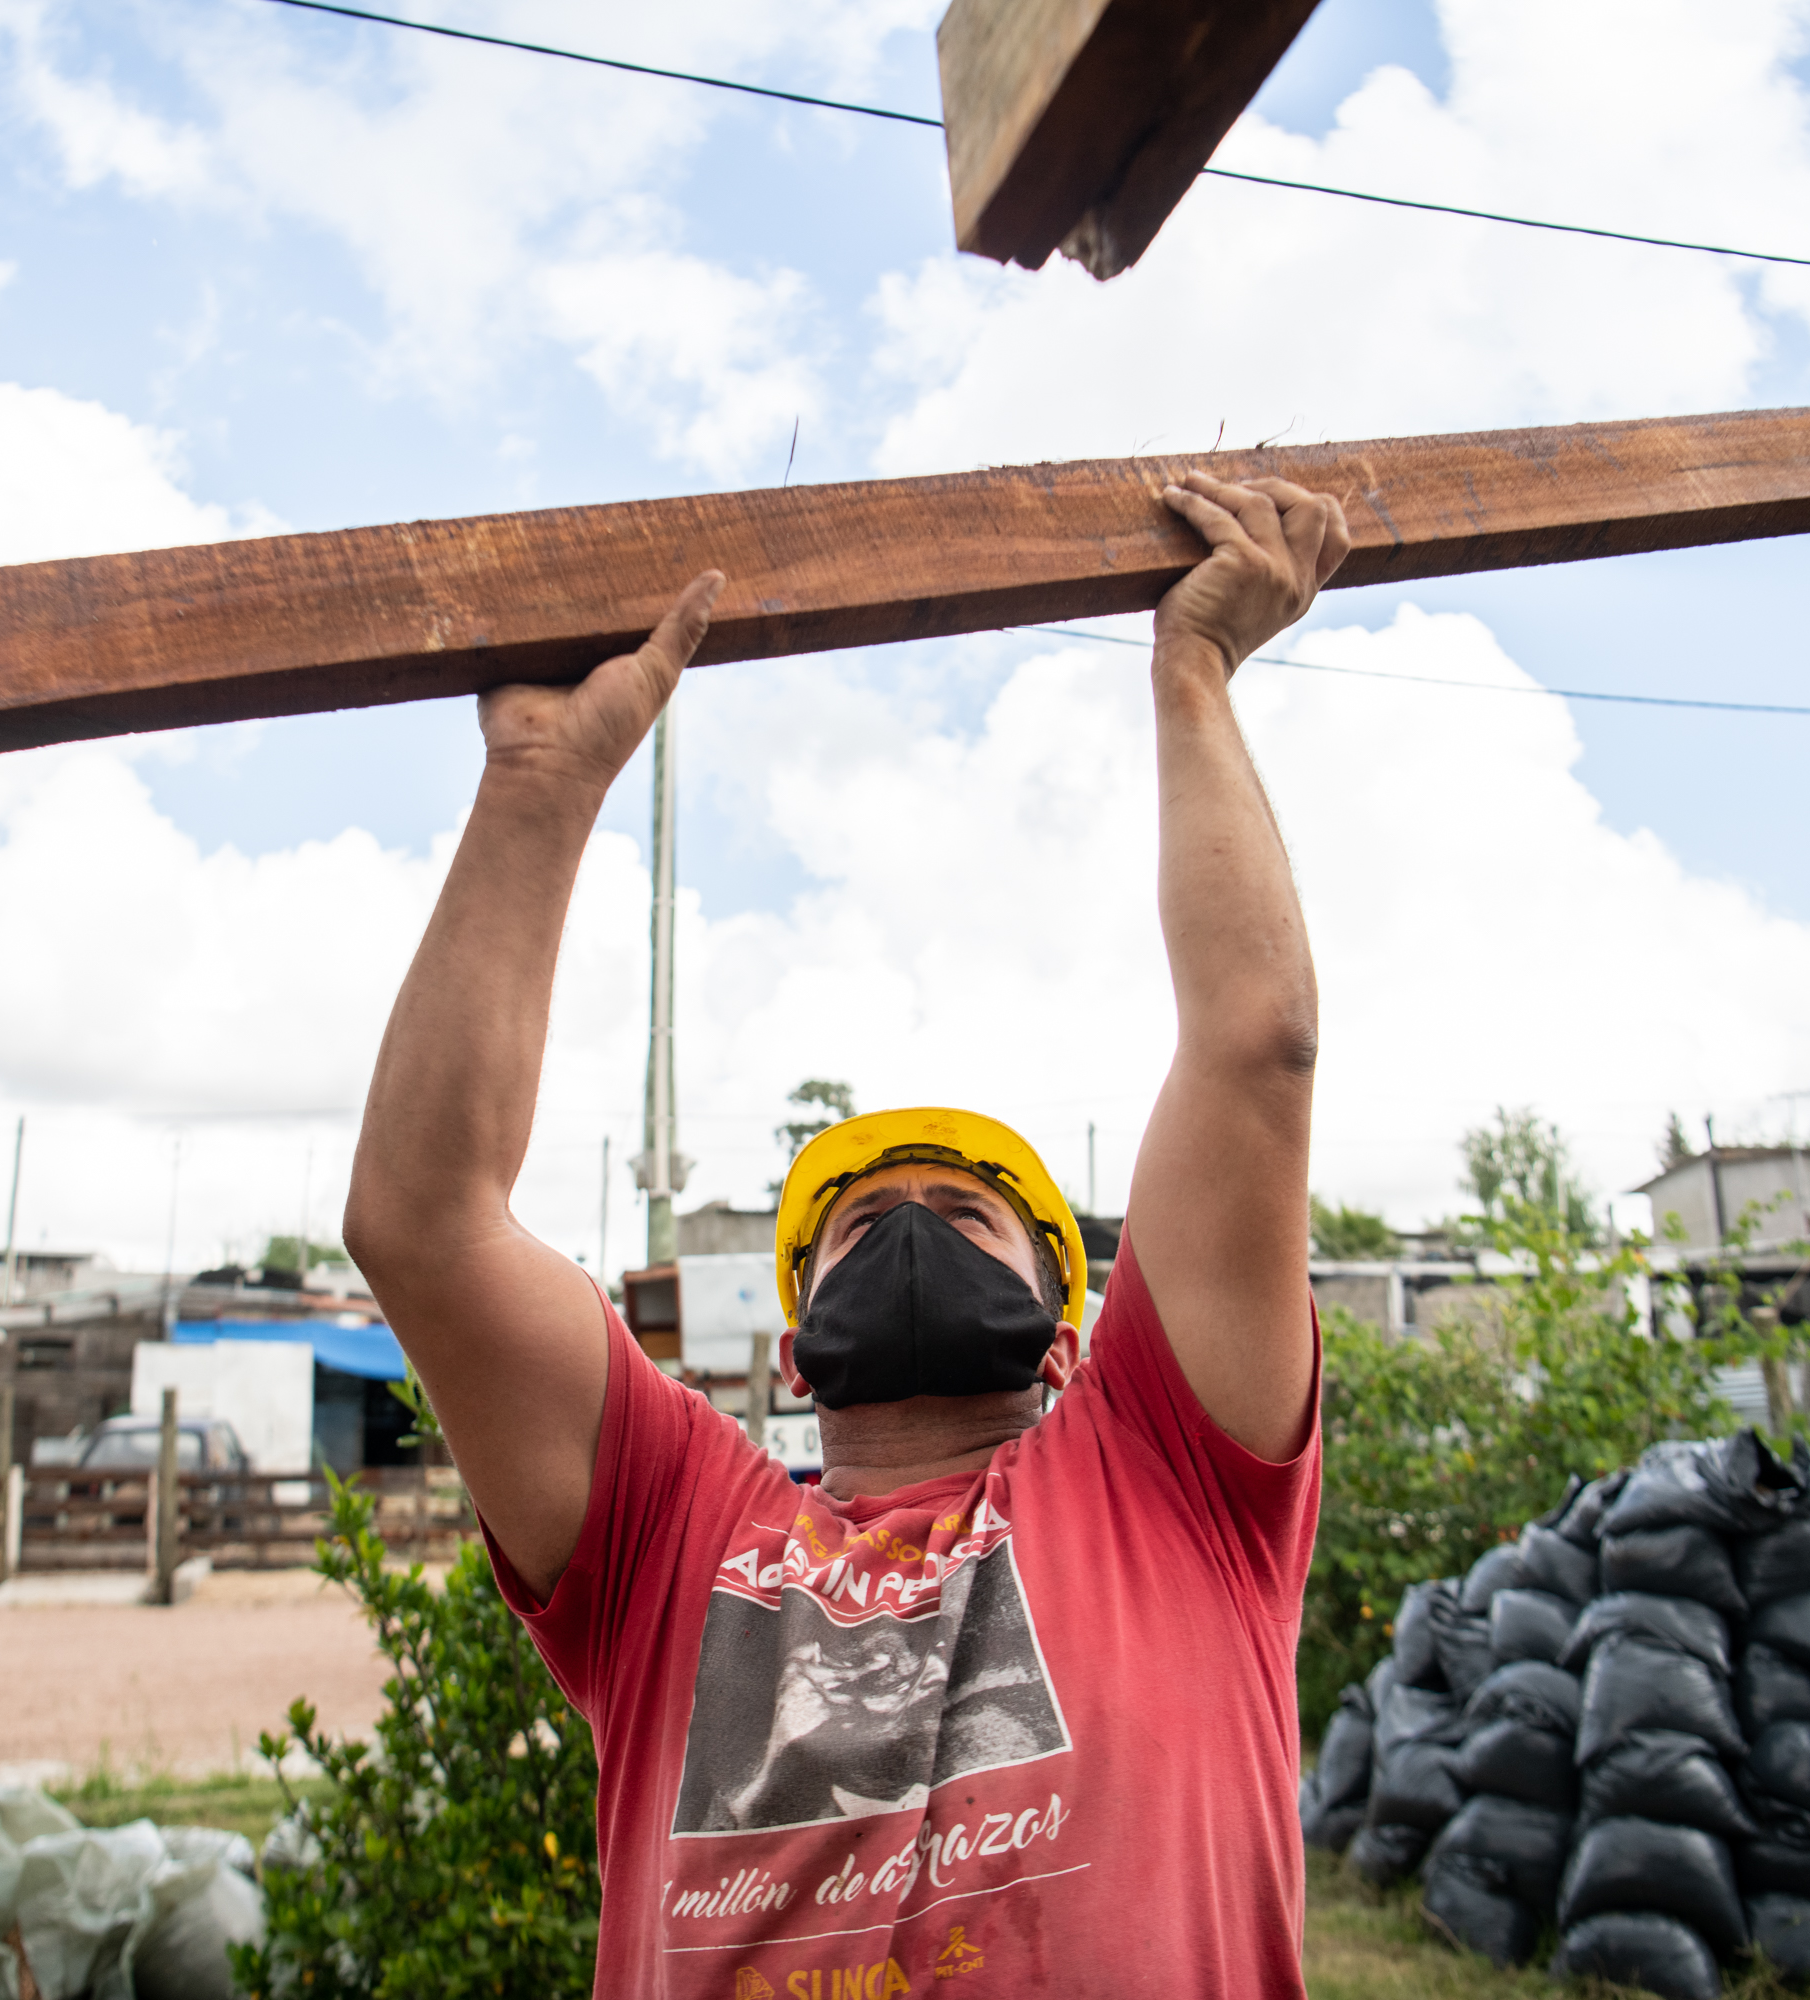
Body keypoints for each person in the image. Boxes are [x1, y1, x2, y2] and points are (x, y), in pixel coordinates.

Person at [346, 470, 1348, 1996]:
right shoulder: (670, 1530)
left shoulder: (1172, 1470)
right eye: (860, 1226)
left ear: (1071, 1334)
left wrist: (1192, 675)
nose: (907, 1230)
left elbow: (1255, 1041)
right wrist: (538, 789)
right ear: (802, 1354)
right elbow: (422, 1226)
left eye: (961, 1215)